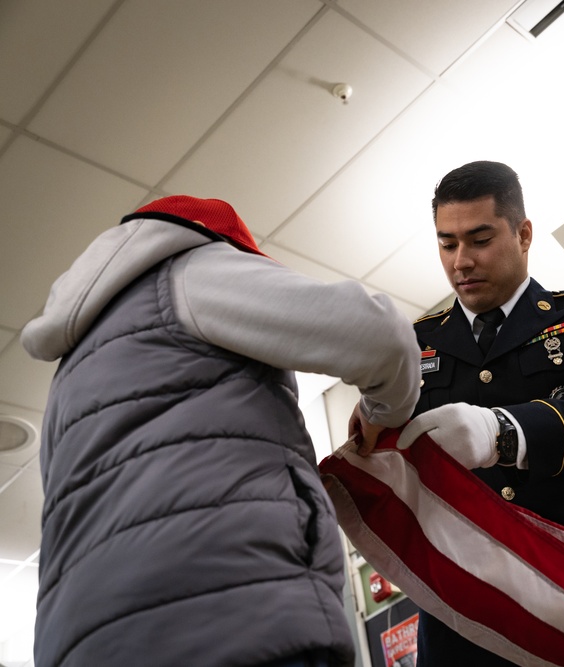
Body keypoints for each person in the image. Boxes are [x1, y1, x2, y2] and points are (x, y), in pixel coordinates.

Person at [21, 195, 421, 667]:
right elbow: (381, 337)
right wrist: (383, 411)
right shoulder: (190, 271)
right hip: (232, 612)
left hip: (80, 643)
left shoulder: (67, 381)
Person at [395, 160, 564, 665]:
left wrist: (501, 432)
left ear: (523, 233)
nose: (461, 261)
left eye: (478, 239)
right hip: (470, 591)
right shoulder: (411, 344)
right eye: (447, 244)